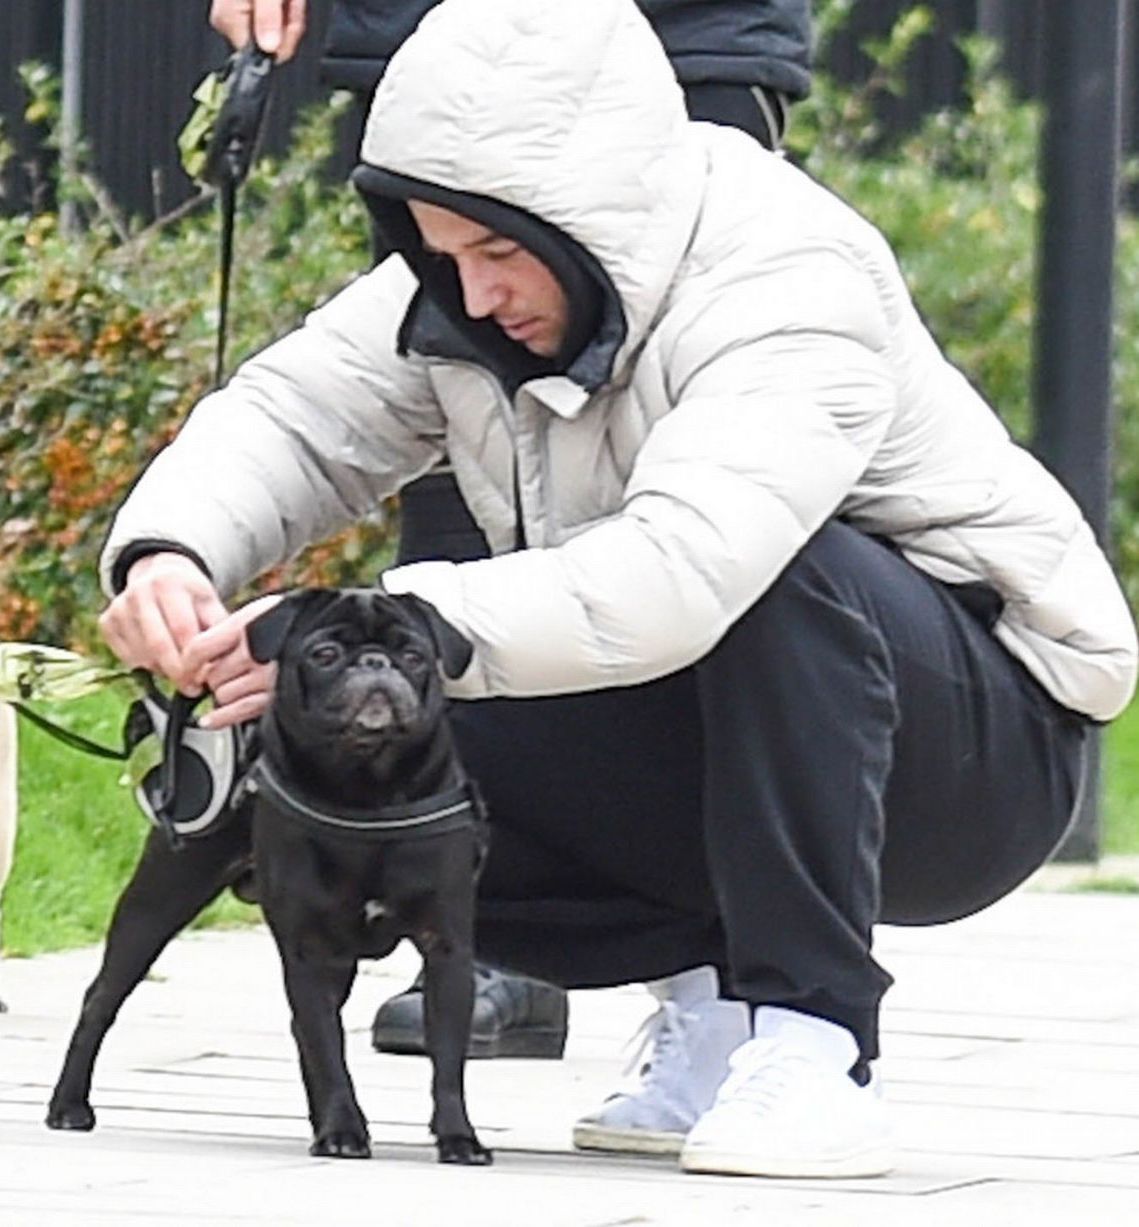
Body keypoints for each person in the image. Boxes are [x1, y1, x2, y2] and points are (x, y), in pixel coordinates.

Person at [103, 0, 1139, 1179]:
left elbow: (686, 571)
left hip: (973, 760)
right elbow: (293, 417)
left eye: (496, 254)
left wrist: (416, 622)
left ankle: (815, 1048)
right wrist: (168, 555)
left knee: (776, 575)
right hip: (729, 721)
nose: (473, 293)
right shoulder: (464, 283)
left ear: (589, 206)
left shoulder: (785, 272)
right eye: (441, 255)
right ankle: (707, 1016)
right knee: (375, 731)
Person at [204, 0, 814, 1063]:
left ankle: (724, 981)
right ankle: (476, 915)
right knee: (470, 372)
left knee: (677, 485)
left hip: (681, 30)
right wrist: (171, 546)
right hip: (429, 29)